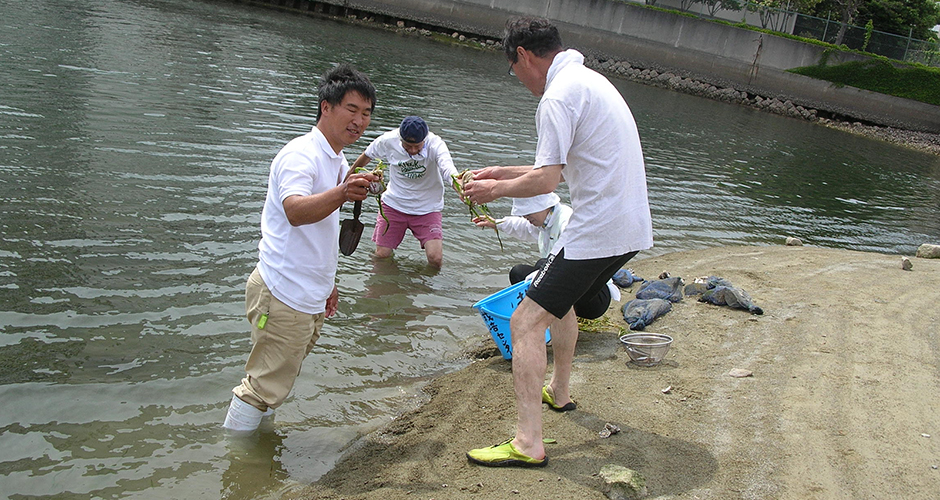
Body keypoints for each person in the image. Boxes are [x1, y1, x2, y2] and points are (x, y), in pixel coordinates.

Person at [462, 17, 653, 467]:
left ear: (524, 56)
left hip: (598, 229)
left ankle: (528, 442)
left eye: (514, 69)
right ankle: (560, 393)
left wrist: (494, 192)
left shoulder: (556, 97)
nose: (519, 80)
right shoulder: (588, 81)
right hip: (629, 228)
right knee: (558, 302)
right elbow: (564, 167)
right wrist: (501, 173)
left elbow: (547, 178)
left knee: (526, 322)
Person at [222, 63, 381, 433]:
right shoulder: (301, 155)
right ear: (326, 107)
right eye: (352, 110)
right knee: (262, 386)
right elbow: (294, 211)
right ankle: (238, 466)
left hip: (307, 293)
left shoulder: (336, 157)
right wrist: (343, 191)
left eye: (367, 114)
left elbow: (321, 230)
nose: (359, 121)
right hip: (283, 292)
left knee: (275, 382)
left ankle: (257, 446)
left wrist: (328, 283)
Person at [472, 192, 619, 320]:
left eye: (528, 214)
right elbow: (523, 227)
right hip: (570, 289)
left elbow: (571, 264)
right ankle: (551, 317)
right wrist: (496, 223)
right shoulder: (545, 222)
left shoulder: (567, 221)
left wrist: (540, 275)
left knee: (543, 265)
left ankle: (554, 319)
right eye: (524, 214)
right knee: (518, 273)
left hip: (594, 297)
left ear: (543, 206)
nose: (526, 217)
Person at [349, 116, 458, 269]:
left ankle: (426, 287)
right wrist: (347, 180)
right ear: (400, 139)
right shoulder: (388, 140)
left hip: (427, 208)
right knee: (381, 256)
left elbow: (448, 169)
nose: (413, 151)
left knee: (435, 259)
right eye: (408, 146)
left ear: (425, 140)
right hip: (394, 205)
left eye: (417, 147)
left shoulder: (436, 144)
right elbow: (367, 156)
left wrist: (459, 184)